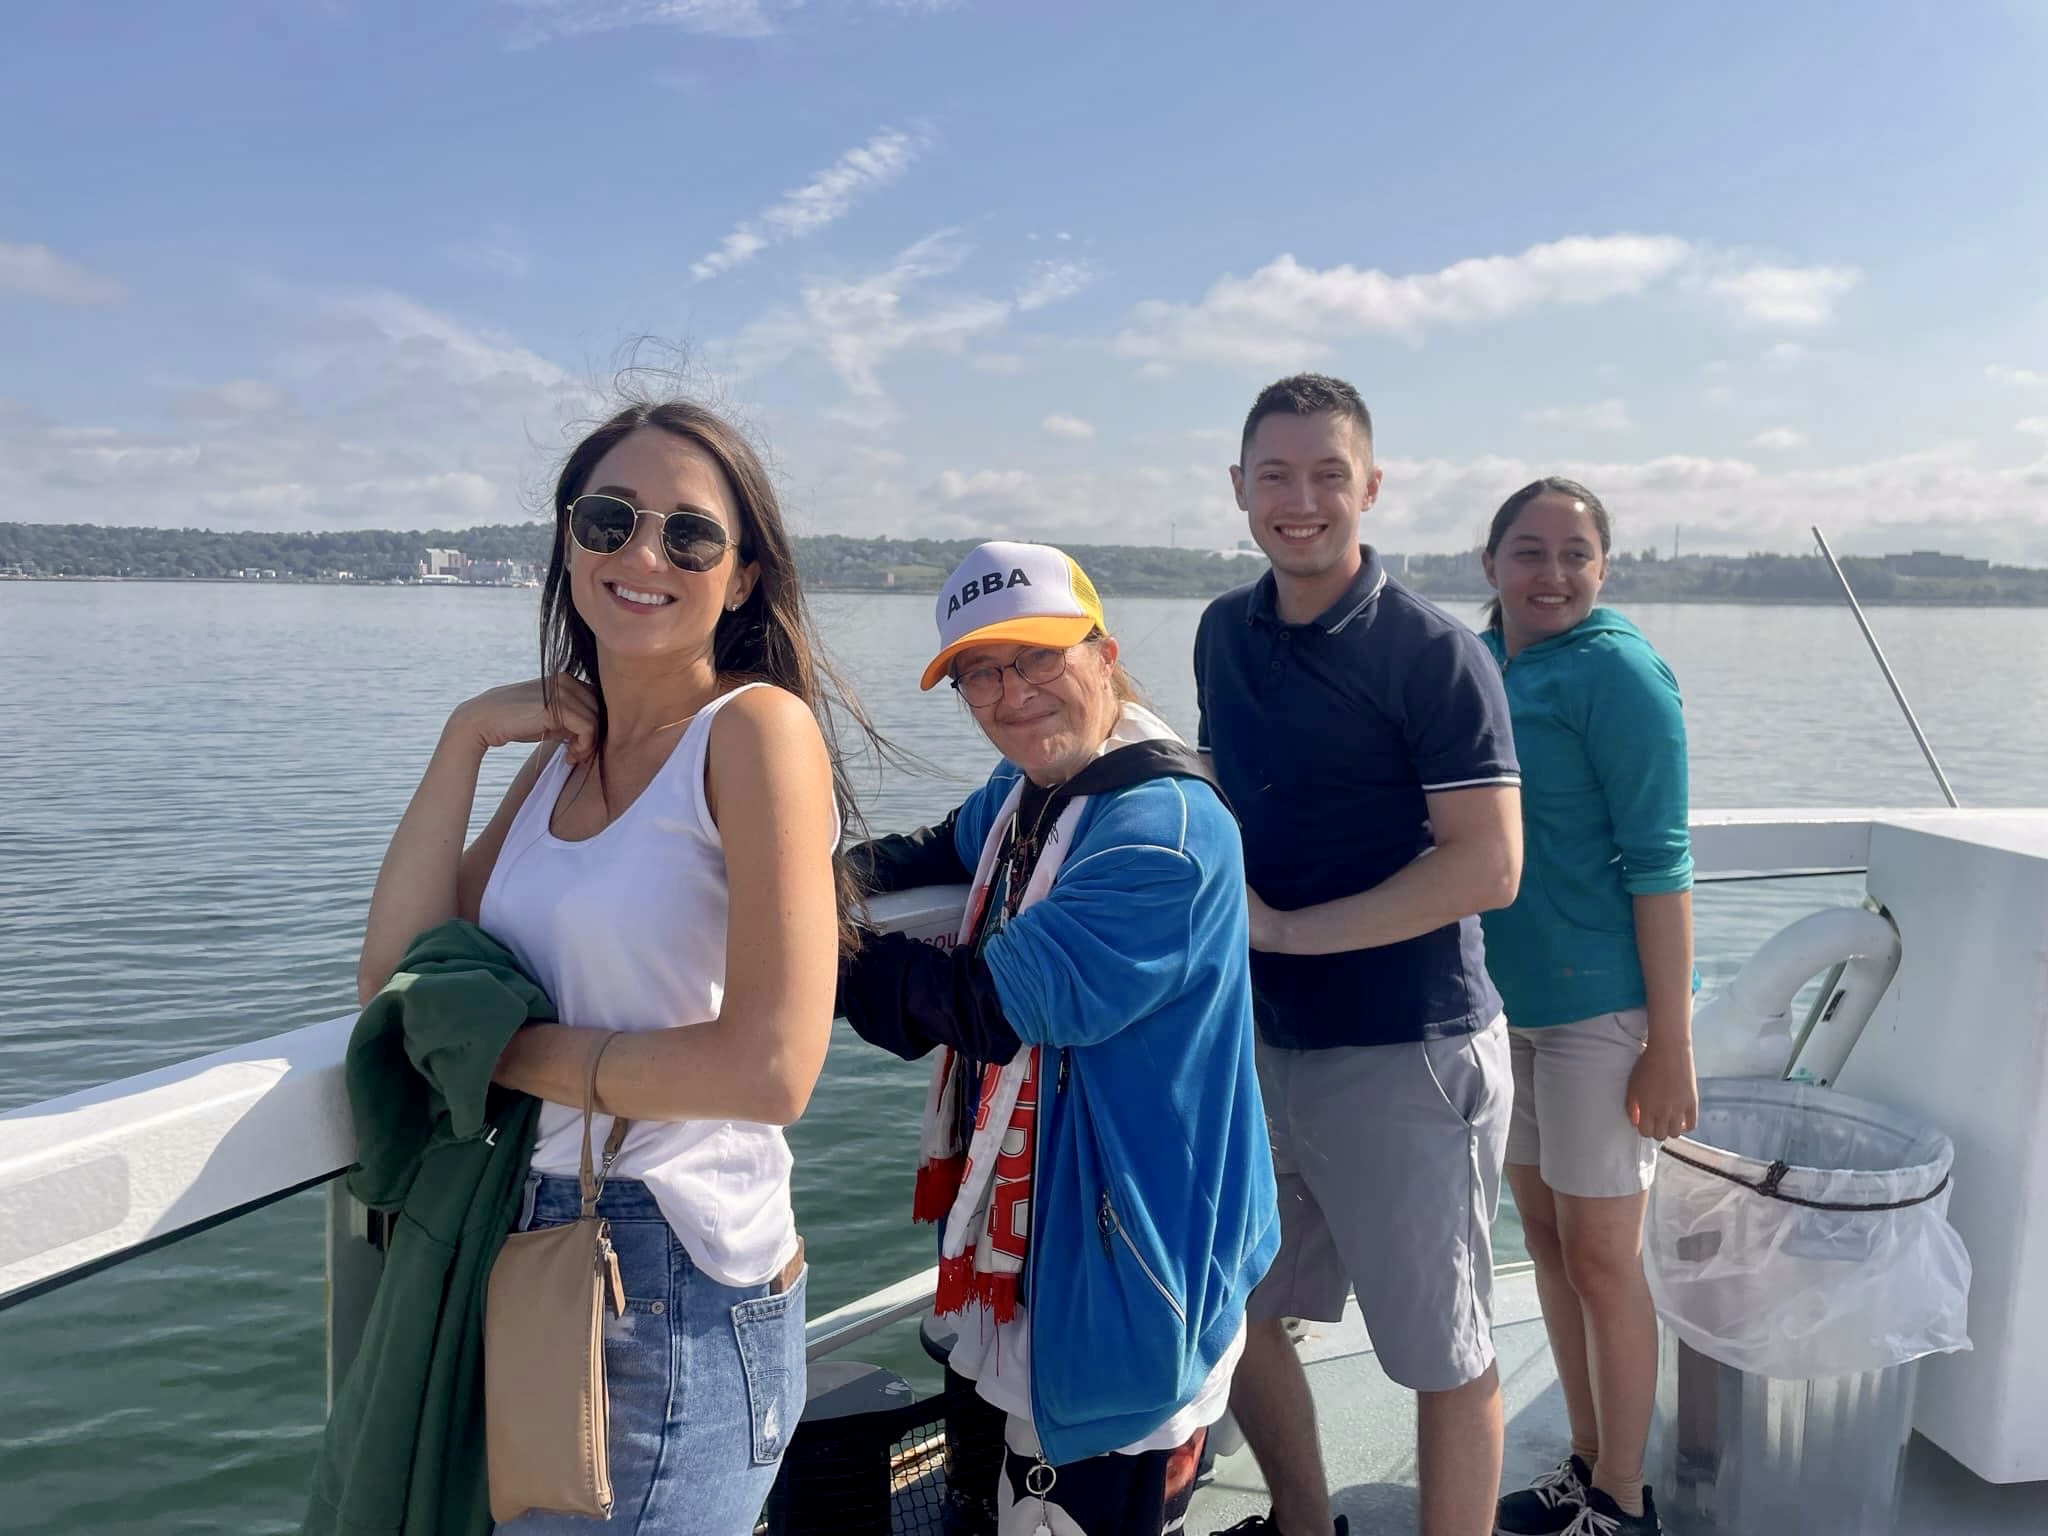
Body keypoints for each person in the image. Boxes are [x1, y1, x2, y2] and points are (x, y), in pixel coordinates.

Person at [355, 399, 859, 1535]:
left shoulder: (753, 732)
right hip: (532, 1241)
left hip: (670, 1267)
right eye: (608, 518)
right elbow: (392, 972)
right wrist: (465, 737)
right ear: (567, 544)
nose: (643, 554)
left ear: (738, 579)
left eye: (690, 535)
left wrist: (505, 1057)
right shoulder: (555, 764)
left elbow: (771, 1070)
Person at [837, 540, 1279, 1536]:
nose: (1010, 692)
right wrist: (817, 872)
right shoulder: (1035, 786)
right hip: (1046, 1243)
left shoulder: (1160, 828)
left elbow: (985, 1004)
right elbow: (940, 846)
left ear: (1102, 653)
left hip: (1127, 1262)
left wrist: (795, 951)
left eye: (1036, 657)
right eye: (979, 672)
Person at [1198, 374, 1523, 1536]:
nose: (1300, 500)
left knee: (1441, 1354)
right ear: (1237, 490)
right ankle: (1301, 1522)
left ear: (1369, 488)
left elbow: (1486, 867)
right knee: (1229, 1305)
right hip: (1259, 1045)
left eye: (1327, 474)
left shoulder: (1432, 654)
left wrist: (1281, 929)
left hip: (1408, 1052)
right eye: (1274, 476)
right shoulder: (1220, 633)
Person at [1478, 479, 1697, 1536]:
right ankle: (1580, 1455)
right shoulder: (1481, 667)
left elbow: (1660, 863)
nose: (1551, 574)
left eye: (1575, 553)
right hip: (1501, 1010)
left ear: (1603, 568)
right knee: (1546, 1240)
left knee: (1606, 1258)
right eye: (1528, 551)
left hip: (1600, 1015)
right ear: (1489, 566)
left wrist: (1669, 1042)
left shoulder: (1615, 670)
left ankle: (1622, 1496)